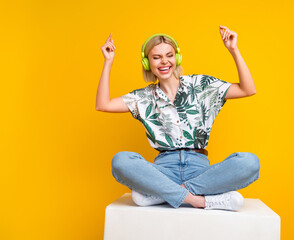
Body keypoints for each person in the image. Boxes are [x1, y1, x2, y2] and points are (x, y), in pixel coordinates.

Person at [96, 25, 260, 211]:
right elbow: (103, 105)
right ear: (147, 62)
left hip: (201, 172)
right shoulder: (142, 97)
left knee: (250, 162)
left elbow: (248, 89)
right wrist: (108, 61)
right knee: (121, 160)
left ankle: (162, 194)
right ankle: (199, 200)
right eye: (156, 57)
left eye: (169, 55)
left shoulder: (201, 85)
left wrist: (234, 50)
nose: (164, 62)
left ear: (177, 58)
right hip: (163, 172)